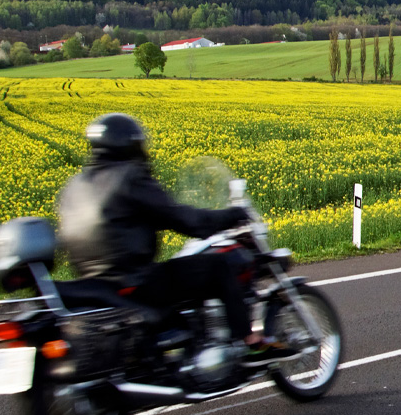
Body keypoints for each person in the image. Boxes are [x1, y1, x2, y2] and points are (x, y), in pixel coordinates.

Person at [57, 113, 281, 363]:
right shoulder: (129, 176)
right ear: (130, 144)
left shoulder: (74, 185)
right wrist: (231, 216)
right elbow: (181, 219)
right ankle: (250, 343)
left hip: (96, 286)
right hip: (136, 281)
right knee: (218, 265)